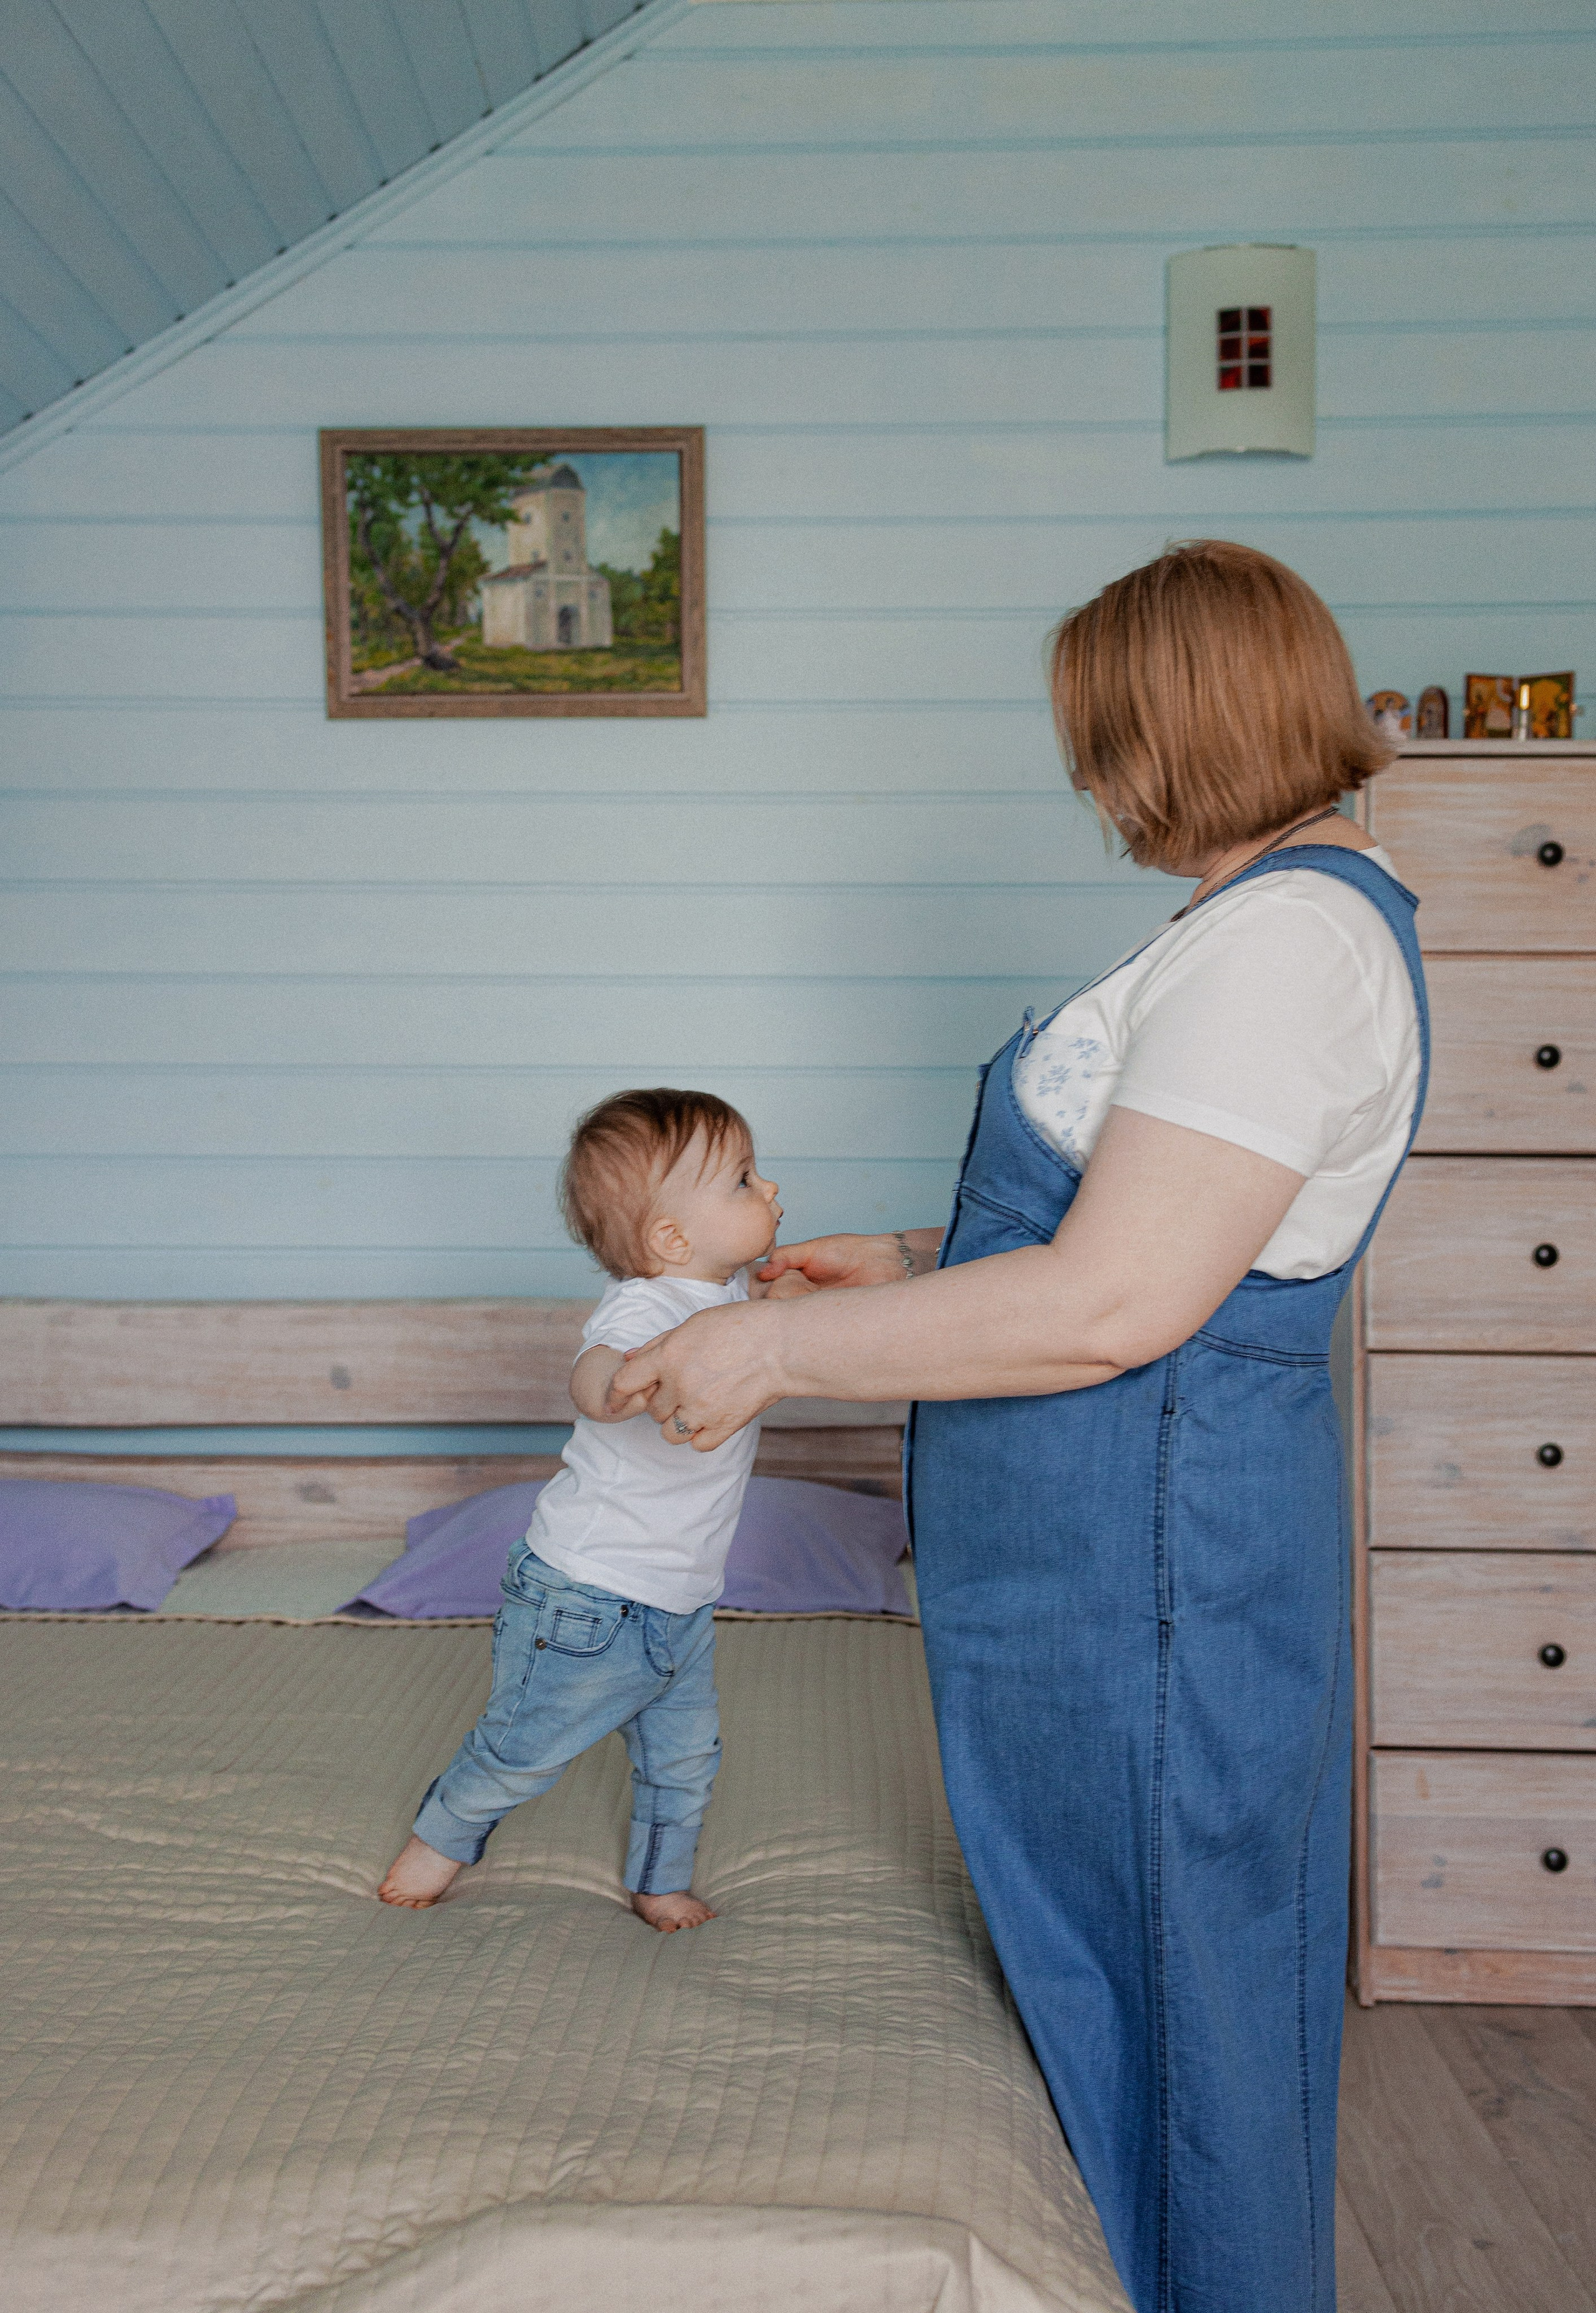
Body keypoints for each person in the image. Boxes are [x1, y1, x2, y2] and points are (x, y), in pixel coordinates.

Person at [605, 542, 1429, 2310]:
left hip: (1155, 1582)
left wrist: (770, 1361)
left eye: (1099, 739)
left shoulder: (1286, 947)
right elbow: (1172, 1217)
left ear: (1169, 730)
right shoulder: (1264, 921)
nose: (1087, 783)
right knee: (1146, 1987)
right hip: (1113, 1577)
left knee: (1183, 2007)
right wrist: (904, 1258)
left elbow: (1115, 1304)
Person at [380, 1088, 805, 1929]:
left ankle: (660, 1880)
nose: (772, 1190)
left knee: (685, 1759)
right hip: (589, 1597)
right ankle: (436, 1844)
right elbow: (595, 1365)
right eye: (745, 1180)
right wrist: (612, 1388)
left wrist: (790, 1312)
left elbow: (770, 1347)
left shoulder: (728, 1303)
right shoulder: (646, 1307)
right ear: (672, 1238)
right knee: (523, 1749)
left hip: (679, 1603)